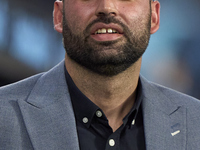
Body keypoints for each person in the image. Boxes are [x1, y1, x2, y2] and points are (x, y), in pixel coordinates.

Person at [0, 0, 200, 149]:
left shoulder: (195, 122)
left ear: (154, 17)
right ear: (59, 16)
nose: (107, 7)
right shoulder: (4, 115)